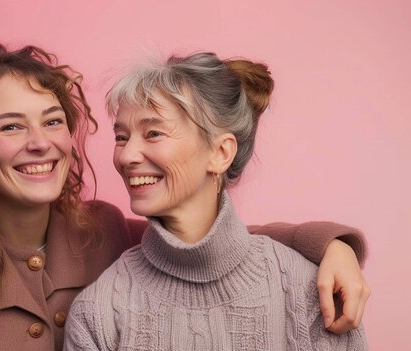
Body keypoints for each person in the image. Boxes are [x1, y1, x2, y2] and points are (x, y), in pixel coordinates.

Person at [0, 45, 368, 351]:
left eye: (52, 121)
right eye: (10, 126)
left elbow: (206, 248)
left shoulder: (103, 231)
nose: (39, 142)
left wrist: (331, 246)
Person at [63, 52, 369, 350]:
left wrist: (335, 245)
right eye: (121, 137)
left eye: (153, 133)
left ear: (220, 153)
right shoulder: (99, 313)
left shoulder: (312, 293)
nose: (127, 156)